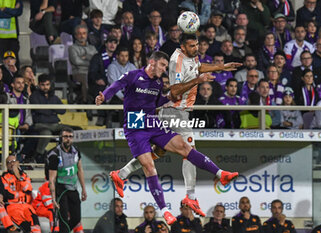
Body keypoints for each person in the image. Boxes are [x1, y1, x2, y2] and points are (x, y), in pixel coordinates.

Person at [96, 50, 239, 225]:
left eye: (165, 66)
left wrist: (172, 97)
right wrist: (104, 95)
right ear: (152, 62)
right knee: (149, 166)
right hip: (135, 127)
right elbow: (116, 85)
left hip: (152, 123)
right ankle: (165, 211)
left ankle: (220, 173)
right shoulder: (133, 76)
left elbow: (157, 102)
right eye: (163, 65)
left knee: (185, 147)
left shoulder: (157, 83)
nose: (164, 69)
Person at [47, 127, 87, 233]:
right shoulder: (55, 154)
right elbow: (52, 179)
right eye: (65, 137)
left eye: (70, 137)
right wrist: (53, 199)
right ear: (61, 138)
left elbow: (80, 170)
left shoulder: (76, 151)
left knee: (76, 218)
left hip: (73, 188)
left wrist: (83, 189)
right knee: (63, 221)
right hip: (61, 188)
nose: (68, 139)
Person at [29, 74, 66, 162]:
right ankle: (38, 155)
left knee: (71, 130)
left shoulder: (54, 97)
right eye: (43, 85)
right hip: (40, 124)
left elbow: (63, 110)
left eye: (47, 84)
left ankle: (65, 154)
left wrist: (47, 109)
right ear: (38, 84)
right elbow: (38, 110)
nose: (45, 87)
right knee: (46, 133)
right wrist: (53, 110)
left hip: (55, 124)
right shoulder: (34, 96)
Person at [1, 154, 41, 232]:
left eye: (13, 161)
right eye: (9, 162)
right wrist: (21, 194)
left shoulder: (24, 175)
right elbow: (8, 195)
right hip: (13, 207)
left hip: (26, 206)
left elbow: (28, 189)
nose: (12, 164)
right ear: (6, 165)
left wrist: (18, 176)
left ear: (18, 163)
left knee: (35, 225)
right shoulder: (4, 177)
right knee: (26, 228)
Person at [68, 24, 98, 104]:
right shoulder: (72, 48)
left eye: (84, 33)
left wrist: (86, 57)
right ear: (75, 35)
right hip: (78, 73)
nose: (82, 36)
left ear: (87, 35)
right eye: (79, 33)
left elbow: (97, 61)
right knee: (86, 79)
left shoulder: (92, 48)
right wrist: (90, 61)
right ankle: (85, 102)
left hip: (92, 72)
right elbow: (76, 61)